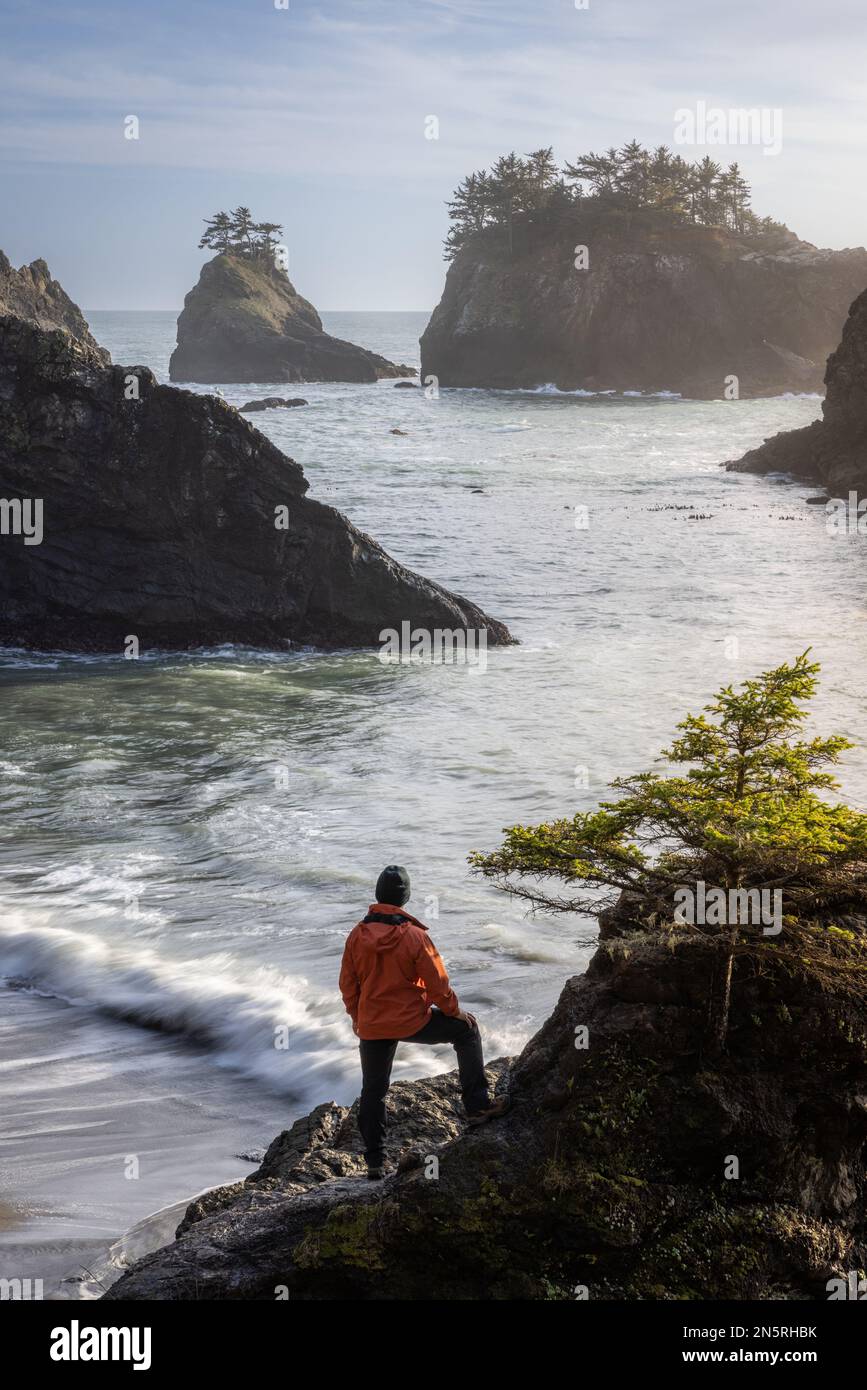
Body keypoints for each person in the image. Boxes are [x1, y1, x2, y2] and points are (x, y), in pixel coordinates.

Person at [339, 864, 509, 1179]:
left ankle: (374, 1162)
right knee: (467, 1032)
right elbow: (438, 986)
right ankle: (477, 1106)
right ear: (405, 898)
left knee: (373, 1090)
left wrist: (357, 1017)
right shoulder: (416, 937)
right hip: (412, 1022)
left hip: (373, 1024)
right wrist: (454, 1010)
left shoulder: (356, 936)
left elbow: (348, 986)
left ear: (378, 895)